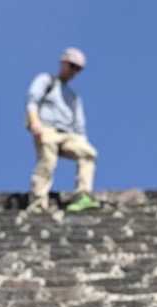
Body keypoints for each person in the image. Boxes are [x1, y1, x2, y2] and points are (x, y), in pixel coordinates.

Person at [26, 49, 99, 214]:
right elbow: (32, 101)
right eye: (72, 66)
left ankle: (83, 194)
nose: (74, 71)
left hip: (67, 134)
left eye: (78, 69)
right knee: (47, 163)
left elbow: (79, 125)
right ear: (63, 63)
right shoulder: (47, 80)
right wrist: (35, 122)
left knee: (89, 153)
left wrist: (82, 141)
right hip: (47, 128)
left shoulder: (73, 97)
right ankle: (38, 202)